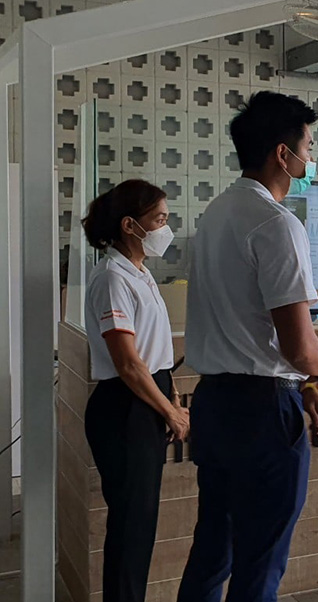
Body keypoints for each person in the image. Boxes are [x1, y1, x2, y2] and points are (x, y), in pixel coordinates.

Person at [177, 91, 318, 602]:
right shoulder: (278, 224)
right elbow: (298, 345)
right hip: (264, 416)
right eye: (308, 148)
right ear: (281, 154)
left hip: (215, 403)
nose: (310, 160)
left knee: (213, 552)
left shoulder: (216, 213)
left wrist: (303, 381)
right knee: (260, 566)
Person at [81, 179, 190, 602]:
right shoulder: (112, 278)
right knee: (130, 527)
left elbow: (154, 350)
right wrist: (171, 412)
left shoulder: (140, 274)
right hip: (124, 408)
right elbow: (127, 363)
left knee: (140, 524)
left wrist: (172, 396)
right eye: (159, 219)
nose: (166, 228)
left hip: (147, 399)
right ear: (130, 225)